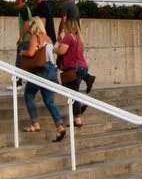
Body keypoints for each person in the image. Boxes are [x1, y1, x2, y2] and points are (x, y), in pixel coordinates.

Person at [17, 11, 65, 140]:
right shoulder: (48, 38)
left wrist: (23, 53)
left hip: (41, 70)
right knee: (49, 100)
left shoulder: (35, 37)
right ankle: (59, 127)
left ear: (35, 25)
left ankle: (35, 124)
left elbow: (32, 53)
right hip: (51, 70)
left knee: (29, 94)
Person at [56, 18, 94, 123]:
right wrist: (61, 42)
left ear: (67, 26)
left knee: (72, 93)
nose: (63, 28)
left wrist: (53, 49)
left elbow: (61, 51)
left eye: (64, 26)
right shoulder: (78, 38)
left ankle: (77, 119)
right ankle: (81, 104)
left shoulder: (68, 37)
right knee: (70, 90)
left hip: (74, 69)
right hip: (82, 67)